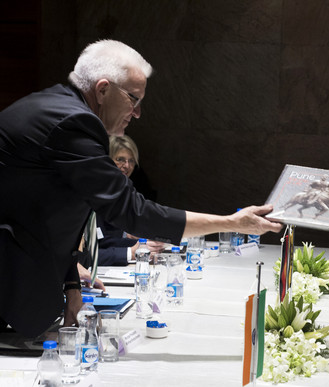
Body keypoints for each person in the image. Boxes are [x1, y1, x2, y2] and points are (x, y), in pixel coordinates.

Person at [0, 40, 282, 338]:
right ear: (102, 90)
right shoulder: (74, 123)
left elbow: (49, 211)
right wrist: (230, 223)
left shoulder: (58, 106)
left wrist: (71, 287)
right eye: (133, 99)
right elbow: (131, 211)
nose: (137, 113)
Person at [90, 135, 165, 266]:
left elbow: (106, 239)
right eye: (120, 159)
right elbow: (93, 248)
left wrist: (142, 244)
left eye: (131, 161)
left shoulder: (122, 189)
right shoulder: (94, 191)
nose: (127, 166)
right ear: (107, 160)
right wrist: (131, 252)